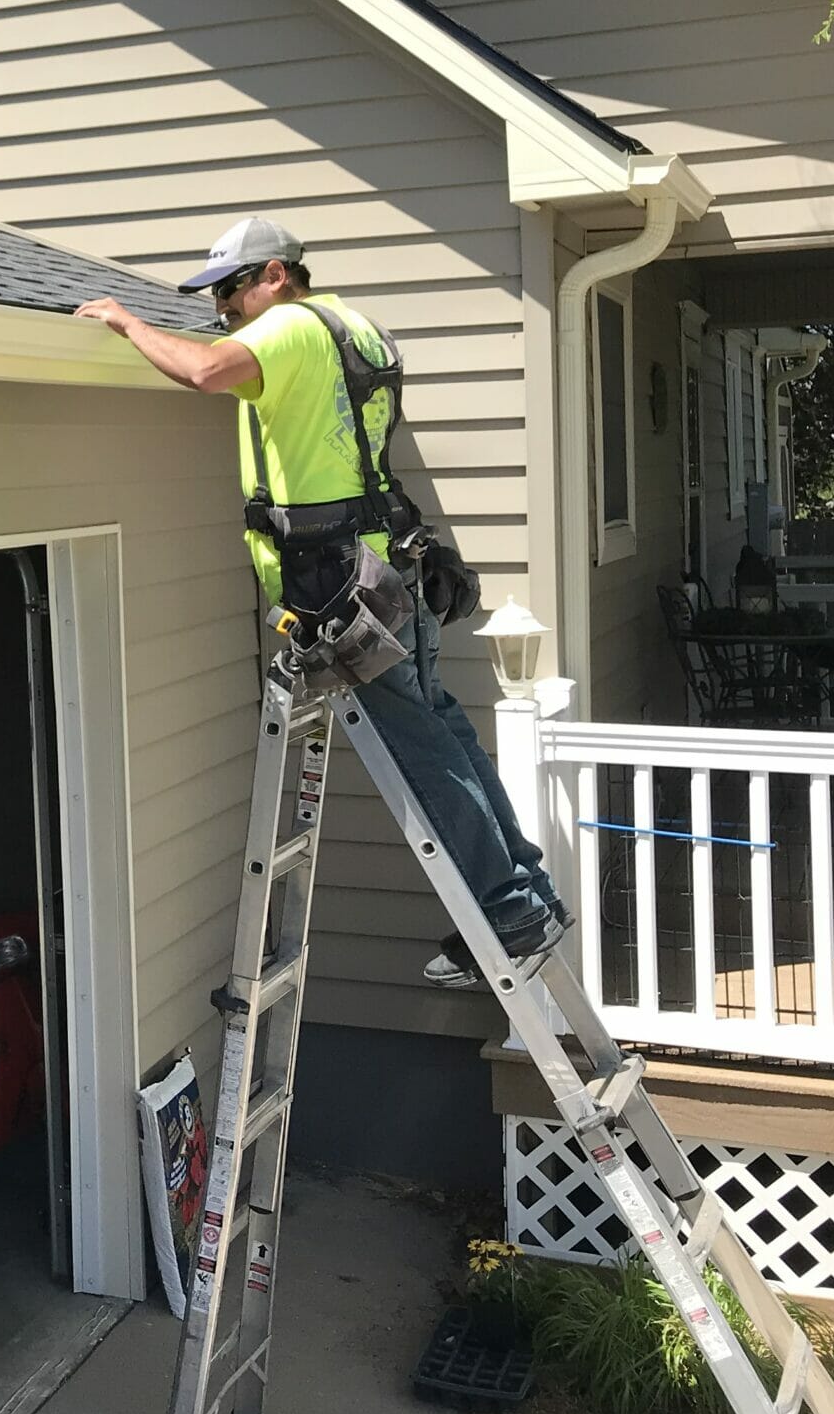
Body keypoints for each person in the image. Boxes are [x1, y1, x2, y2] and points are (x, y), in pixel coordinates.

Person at [77, 216, 566, 989]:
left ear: (276, 274)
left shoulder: (293, 327)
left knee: (425, 754)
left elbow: (206, 372)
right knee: (443, 731)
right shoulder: (356, 326)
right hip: (388, 566)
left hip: (342, 583)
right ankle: (525, 895)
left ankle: (509, 908)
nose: (223, 309)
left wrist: (127, 321)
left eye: (231, 290)